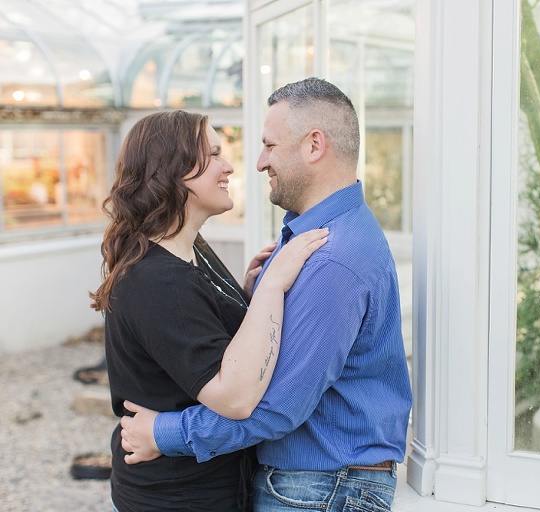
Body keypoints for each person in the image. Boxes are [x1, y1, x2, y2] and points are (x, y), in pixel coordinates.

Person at [119, 77, 413, 512]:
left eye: (270, 146)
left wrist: (164, 433)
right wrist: (255, 299)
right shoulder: (313, 240)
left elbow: (275, 407)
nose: (257, 163)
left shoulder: (331, 260)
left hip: (318, 489)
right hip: (316, 485)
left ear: (314, 146)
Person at [90, 109, 329, 511]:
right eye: (214, 154)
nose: (230, 166)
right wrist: (273, 287)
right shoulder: (159, 280)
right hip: (178, 498)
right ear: (173, 170)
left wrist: (246, 297)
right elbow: (234, 398)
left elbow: (209, 340)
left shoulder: (191, 250)